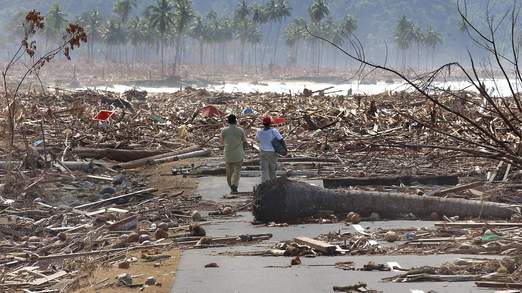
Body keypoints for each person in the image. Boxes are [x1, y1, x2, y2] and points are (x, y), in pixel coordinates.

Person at [220, 114, 246, 194]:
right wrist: (243, 149)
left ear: (228, 121)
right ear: (236, 121)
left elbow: (221, 142)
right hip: (238, 154)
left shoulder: (224, 130)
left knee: (229, 172)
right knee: (237, 172)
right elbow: (244, 142)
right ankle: (234, 185)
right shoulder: (240, 130)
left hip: (228, 154)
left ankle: (231, 186)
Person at [256, 116, 283, 183]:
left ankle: (264, 184)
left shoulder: (259, 132)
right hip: (273, 152)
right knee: (272, 169)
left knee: (264, 170)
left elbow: (257, 140)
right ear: (270, 123)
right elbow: (281, 139)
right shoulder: (274, 131)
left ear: (263, 124)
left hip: (263, 152)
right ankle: (273, 184)